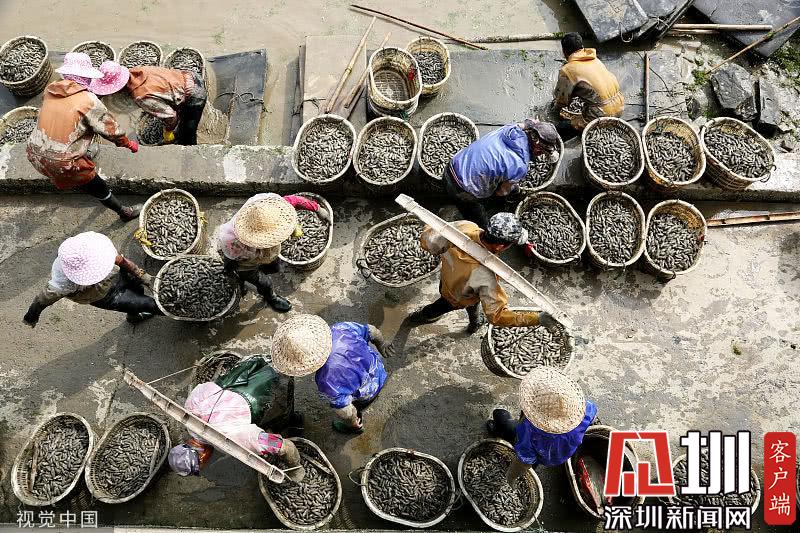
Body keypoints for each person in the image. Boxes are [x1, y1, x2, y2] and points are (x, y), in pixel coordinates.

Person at [26, 53, 140, 221]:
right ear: (85, 77)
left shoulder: (50, 90)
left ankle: (80, 159)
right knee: (97, 186)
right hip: (62, 163)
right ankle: (124, 212)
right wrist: (127, 143)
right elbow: (111, 130)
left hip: (33, 152)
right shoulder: (88, 100)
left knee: (78, 132)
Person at [410, 212, 558, 333]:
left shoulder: (466, 226)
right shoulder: (486, 274)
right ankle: (424, 315)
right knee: (444, 305)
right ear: (500, 247)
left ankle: (474, 320)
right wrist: (537, 318)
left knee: (470, 302)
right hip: (457, 297)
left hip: (446, 279)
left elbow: (428, 241)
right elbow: (497, 316)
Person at [167, 356, 304, 481]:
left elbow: (283, 446)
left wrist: (296, 470)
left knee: (282, 409)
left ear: (202, 457)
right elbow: (203, 388)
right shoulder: (189, 409)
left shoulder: (234, 439)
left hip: (267, 381)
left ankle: (293, 420)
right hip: (246, 367)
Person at [271, 314, 394, 434]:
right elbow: (371, 331)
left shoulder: (326, 380)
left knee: (349, 408)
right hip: (378, 369)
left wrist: (352, 422)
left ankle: (355, 427)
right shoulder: (339, 328)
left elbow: (344, 410)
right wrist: (382, 344)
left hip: (368, 392)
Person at [216, 193, 329, 313]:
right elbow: (231, 261)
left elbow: (294, 200)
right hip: (245, 261)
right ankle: (270, 297)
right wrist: (232, 272)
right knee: (263, 282)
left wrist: (317, 208)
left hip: (267, 255)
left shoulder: (269, 206)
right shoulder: (232, 242)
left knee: (274, 268)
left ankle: (252, 277)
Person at [23, 231, 161, 327]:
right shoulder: (62, 283)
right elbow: (42, 300)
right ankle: (136, 314)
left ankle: (133, 314)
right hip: (102, 296)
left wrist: (138, 273)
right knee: (149, 304)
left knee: (137, 288)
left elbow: (119, 260)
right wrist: (31, 317)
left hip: (115, 275)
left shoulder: (95, 248)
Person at [487, 366, 597, 484]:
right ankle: (535, 463)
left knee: (499, 414)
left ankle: (499, 431)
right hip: (558, 455)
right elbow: (593, 416)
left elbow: (523, 462)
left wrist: (510, 478)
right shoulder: (586, 409)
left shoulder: (529, 432)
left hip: (538, 453)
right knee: (537, 453)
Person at [444, 119, 560, 228]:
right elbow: (501, 192)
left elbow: (523, 124)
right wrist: (515, 188)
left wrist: (529, 124)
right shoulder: (520, 166)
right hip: (462, 190)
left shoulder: (509, 130)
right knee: (481, 224)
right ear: (538, 150)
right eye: (542, 153)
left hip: (450, 168)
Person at [89, 61, 208, 145]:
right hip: (191, 76)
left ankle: (189, 152)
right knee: (181, 115)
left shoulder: (141, 96)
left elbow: (171, 116)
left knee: (188, 133)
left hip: (195, 94)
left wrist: (168, 131)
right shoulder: (137, 71)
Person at [553, 32, 624, 134]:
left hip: (603, 116)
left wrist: (556, 111)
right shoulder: (595, 59)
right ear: (582, 47)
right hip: (620, 106)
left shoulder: (567, 70)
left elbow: (561, 101)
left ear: (564, 51)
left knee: (560, 127)